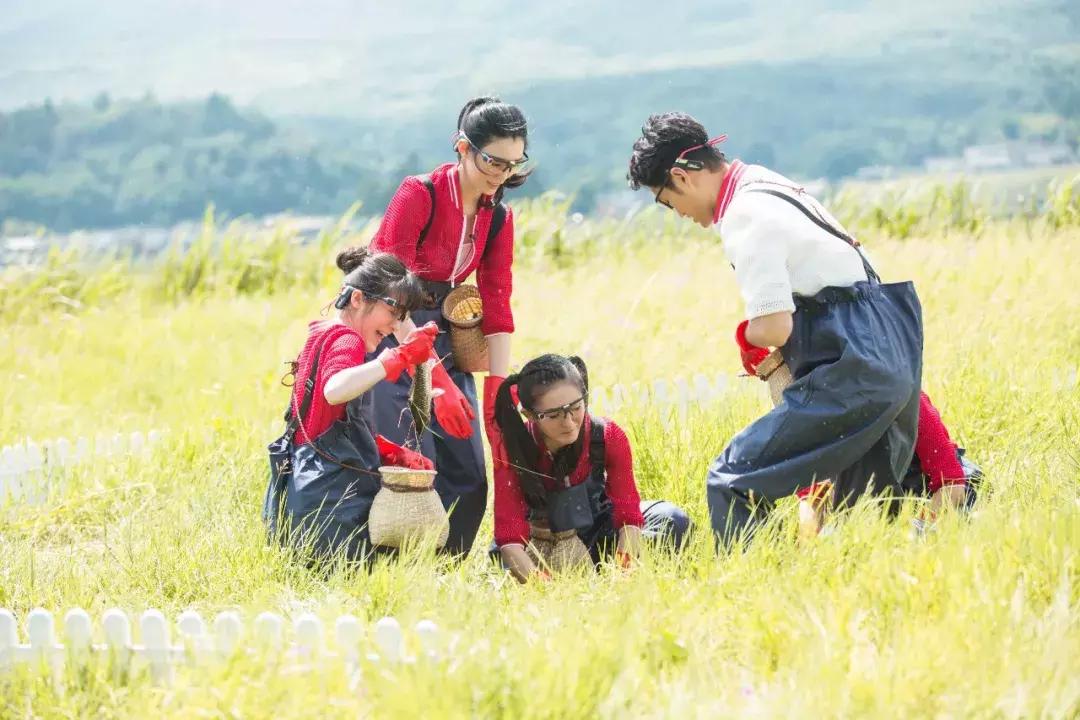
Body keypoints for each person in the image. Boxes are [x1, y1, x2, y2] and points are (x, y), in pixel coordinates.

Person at [627, 112, 924, 548]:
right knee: (867, 519)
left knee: (731, 481)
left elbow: (774, 326)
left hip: (852, 362)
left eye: (669, 203)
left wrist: (745, 338)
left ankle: (754, 589)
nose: (680, 215)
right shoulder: (767, 182)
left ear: (680, 177)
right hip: (892, 345)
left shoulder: (744, 215)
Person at [368, 96, 532, 556]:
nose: (501, 174)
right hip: (392, 330)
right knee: (415, 463)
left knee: (468, 470)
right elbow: (388, 290)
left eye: (513, 164)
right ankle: (395, 566)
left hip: (447, 329)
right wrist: (435, 381)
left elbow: (497, 299)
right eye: (492, 161)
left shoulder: (497, 215)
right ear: (463, 147)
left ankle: (447, 565)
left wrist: (499, 386)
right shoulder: (418, 194)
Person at [263, 248, 439, 563]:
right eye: (394, 311)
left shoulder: (322, 332)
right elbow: (334, 391)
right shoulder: (348, 340)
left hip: (303, 485)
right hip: (329, 497)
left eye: (403, 317)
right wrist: (397, 357)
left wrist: (385, 450)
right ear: (357, 299)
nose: (396, 324)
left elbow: (323, 418)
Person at [489, 353, 691, 583]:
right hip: (540, 544)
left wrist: (622, 571)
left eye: (575, 407)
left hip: (597, 533)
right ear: (530, 415)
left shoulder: (607, 436)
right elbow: (511, 540)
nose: (568, 422)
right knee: (507, 563)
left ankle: (604, 566)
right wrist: (543, 586)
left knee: (671, 519)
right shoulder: (512, 449)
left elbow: (628, 514)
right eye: (553, 415)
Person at [797, 390, 982, 538]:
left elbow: (952, 484)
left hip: (940, 497)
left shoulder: (908, 401)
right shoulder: (814, 421)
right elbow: (811, 501)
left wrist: (916, 531)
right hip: (874, 509)